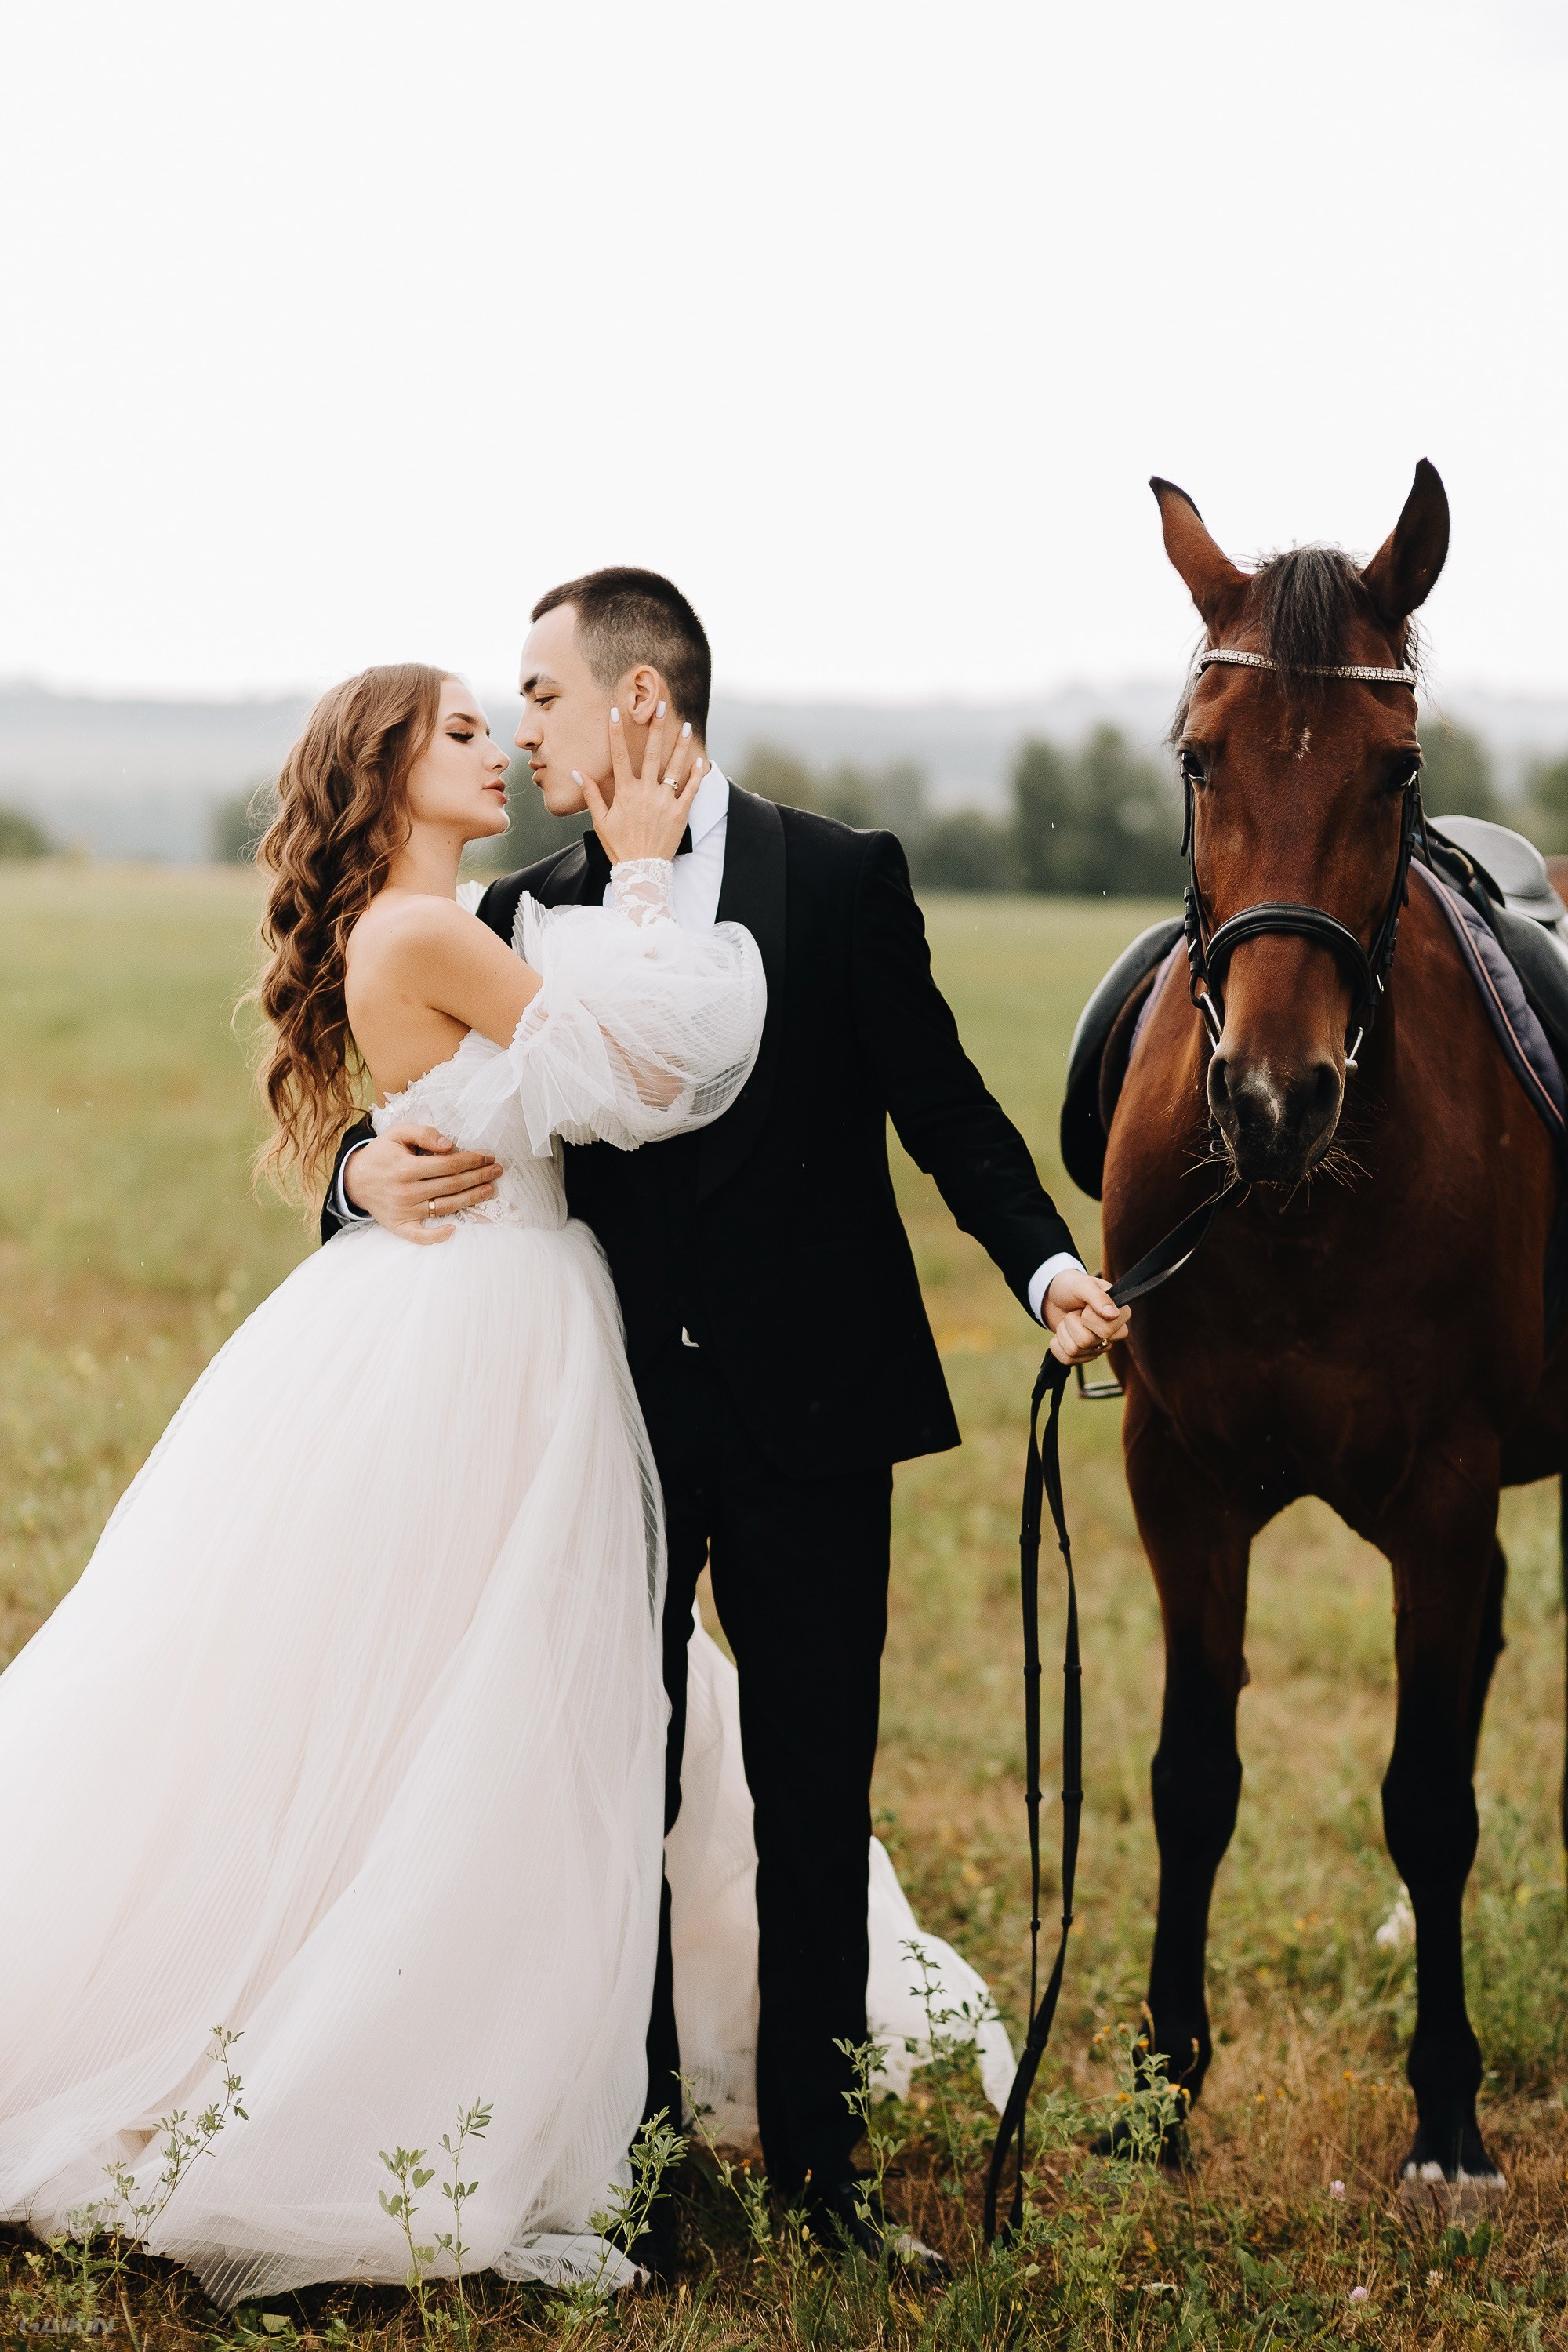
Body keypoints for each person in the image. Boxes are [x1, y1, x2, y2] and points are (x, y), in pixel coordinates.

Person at [327, 574, 1129, 2270]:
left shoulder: (835, 876)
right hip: (599, 1414)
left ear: (640, 699)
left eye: (542, 692)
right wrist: (354, 1180)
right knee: (610, 1788)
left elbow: (943, 1105)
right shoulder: (524, 907)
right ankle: (629, 2165)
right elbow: (426, 1101)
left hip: (818, 1408)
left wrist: (1049, 1268)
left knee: (813, 1792)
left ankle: (824, 2174)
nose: (522, 726)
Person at [0, 664, 775, 2303]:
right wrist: (645, 876)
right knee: (493, 1687)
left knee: (448, 1677)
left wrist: (364, 1159)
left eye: (501, 726)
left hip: (483, 1306)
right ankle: (414, 2078)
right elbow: (644, 1077)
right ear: (385, 768)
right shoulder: (426, 932)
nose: (496, 750)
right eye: (463, 733)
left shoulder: (439, 921)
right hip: (487, 1325)